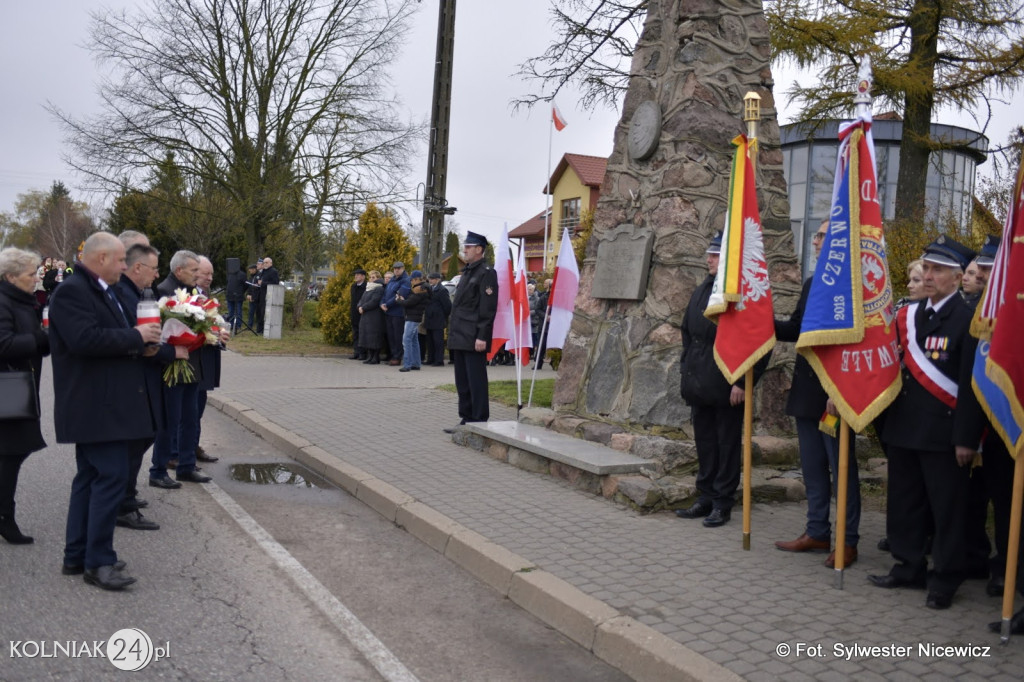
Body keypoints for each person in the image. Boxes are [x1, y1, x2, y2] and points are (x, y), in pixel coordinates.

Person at [49, 232, 163, 590]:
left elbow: (110, 334)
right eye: (119, 260)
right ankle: (98, 562)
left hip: (102, 405)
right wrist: (136, 339)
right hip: (95, 406)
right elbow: (84, 340)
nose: (124, 266)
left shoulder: (100, 288)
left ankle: (77, 555)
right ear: (99, 258)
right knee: (111, 477)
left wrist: (139, 345)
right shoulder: (73, 290)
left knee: (89, 478)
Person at [869, 235, 978, 610]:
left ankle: (945, 578)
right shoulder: (909, 315)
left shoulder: (968, 320)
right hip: (904, 425)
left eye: (938, 270)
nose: (929, 276)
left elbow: (970, 386)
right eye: (926, 268)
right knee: (904, 502)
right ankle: (908, 565)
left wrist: (967, 438)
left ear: (957, 277)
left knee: (946, 510)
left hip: (944, 432)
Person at [773, 221, 861, 566]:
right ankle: (817, 532)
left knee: (842, 471)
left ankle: (848, 540)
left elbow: (853, 343)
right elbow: (797, 329)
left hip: (836, 395)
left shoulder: (853, 286)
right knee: (812, 468)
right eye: (818, 235)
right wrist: (760, 322)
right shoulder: (811, 283)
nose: (817, 240)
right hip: (809, 391)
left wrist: (842, 389)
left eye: (824, 235)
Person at [676, 231, 765, 528]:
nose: (709, 260)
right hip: (700, 382)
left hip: (728, 386)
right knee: (705, 443)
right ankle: (705, 496)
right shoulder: (703, 290)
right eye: (709, 255)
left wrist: (740, 381)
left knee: (727, 445)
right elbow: (687, 330)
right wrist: (686, 365)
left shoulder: (740, 294)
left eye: (715, 255)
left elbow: (757, 341)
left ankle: (722, 502)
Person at [112, 240, 177, 532]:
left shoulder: (136, 291)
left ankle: (125, 498)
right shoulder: (125, 294)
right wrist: (169, 352)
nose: (156, 274)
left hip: (141, 377)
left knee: (142, 438)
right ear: (138, 267)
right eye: (153, 268)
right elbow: (139, 340)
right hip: (133, 379)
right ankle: (122, 503)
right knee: (134, 442)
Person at [0, 248, 50, 544]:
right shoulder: (3, 302)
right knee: (10, 452)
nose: (36, 278)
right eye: (31, 274)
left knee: (12, 452)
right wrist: (42, 339)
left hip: (21, 383)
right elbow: (4, 344)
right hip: (9, 387)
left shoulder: (22, 300)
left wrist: (45, 341)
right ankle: (5, 516)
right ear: (11, 276)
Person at [150, 250, 209, 487]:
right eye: (194, 270)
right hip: (171, 366)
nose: (198, 275)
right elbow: (160, 330)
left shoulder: (193, 292)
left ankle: (186, 465)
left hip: (191, 364)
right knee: (169, 421)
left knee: (190, 418)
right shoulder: (163, 292)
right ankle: (158, 470)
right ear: (179, 271)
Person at [444, 231, 498, 432]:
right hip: (460, 334)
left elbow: (487, 308)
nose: (464, 250)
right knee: (463, 381)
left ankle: (479, 420)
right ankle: (466, 418)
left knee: (476, 381)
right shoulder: (467, 272)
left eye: (468, 246)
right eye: (465, 246)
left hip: (474, 337)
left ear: (479, 249)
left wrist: (482, 336)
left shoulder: (486, 273)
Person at [193, 256, 229, 464]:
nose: (210, 277)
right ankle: (182, 450)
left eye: (212, 274)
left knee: (199, 405)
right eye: (206, 273)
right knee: (191, 409)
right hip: (195, 359)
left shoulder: (205, 295)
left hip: (207, 357)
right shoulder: (187, 296)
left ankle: (193, 446)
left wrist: (220, 332)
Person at [395, 270, 430, 372]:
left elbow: (409, 303)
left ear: (417, 279)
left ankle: (407, 364)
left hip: (413, 317)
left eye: (412, 280)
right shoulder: (422, 288)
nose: (411, 282)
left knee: (406, 340)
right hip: (414, 316)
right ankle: (416, 363)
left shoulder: (419, 289)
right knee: (414, 341)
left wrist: (399, 300)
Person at [381, 262, 411, 366]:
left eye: (398, 268)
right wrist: (382, 303)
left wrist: (387, 304)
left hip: (398, 312)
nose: (396, 270)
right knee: (391, 336)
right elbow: (385, 293)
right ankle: (393, 356)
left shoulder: (406, 281)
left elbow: (400, 295)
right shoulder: (392, 280)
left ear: (403, 268)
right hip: (389, 312)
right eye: (395, 268)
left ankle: (397, 357)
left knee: (397, 336)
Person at [357, 271, 385, 365]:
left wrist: (363, 307)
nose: (371, 279)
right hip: (366, 316)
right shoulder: (368, 287)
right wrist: (359, 306)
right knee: (367, 336)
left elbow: (374, 301)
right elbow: (361, 299)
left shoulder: (379, 288)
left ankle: (375, 357)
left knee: (374, 337)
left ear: (378, 278)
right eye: (370, 277)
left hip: (374, 316)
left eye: (374, 277)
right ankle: (370, 356)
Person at [424, 272, 452, 366]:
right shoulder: (429, 288)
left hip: (438, 319)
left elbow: (447, 306)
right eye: (430, 279)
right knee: (430, 341)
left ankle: (439, 360)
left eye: (432, 279)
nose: (430, 280)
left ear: (438, 279)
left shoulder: (442, 290)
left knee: (438, 341)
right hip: (429, 318)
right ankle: (430, 359)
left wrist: (442, 316)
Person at [256, 256, 280, 334]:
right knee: (260, 311)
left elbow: (275, 283)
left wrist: (263, 283)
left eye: (266, 262)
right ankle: (259, 329)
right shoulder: (263, 271)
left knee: (265, 312)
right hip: (261, 293)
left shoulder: (273, 271)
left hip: (268, 294)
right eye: (264, 263)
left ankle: (264, 329)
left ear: (270, 263)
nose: (265, 264)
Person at [349, 269, 367, 360]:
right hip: (354, 313)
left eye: (358, 275)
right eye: (355, 275)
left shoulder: (366, 286)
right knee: (355, 334)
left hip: (362, 313)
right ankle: (356, 352)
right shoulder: (353, 286)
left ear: (363, 276)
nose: (356, 276)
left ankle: (362, 353)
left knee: (362, 334)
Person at [225, 258, 247, 334]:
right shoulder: (229, 274)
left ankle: (238, 325)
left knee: (238, 311)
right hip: (230, 295)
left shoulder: (242, 275)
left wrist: (241, 292)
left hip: (238, 296)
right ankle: (230, 324)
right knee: (230, 311)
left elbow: (245, 285)